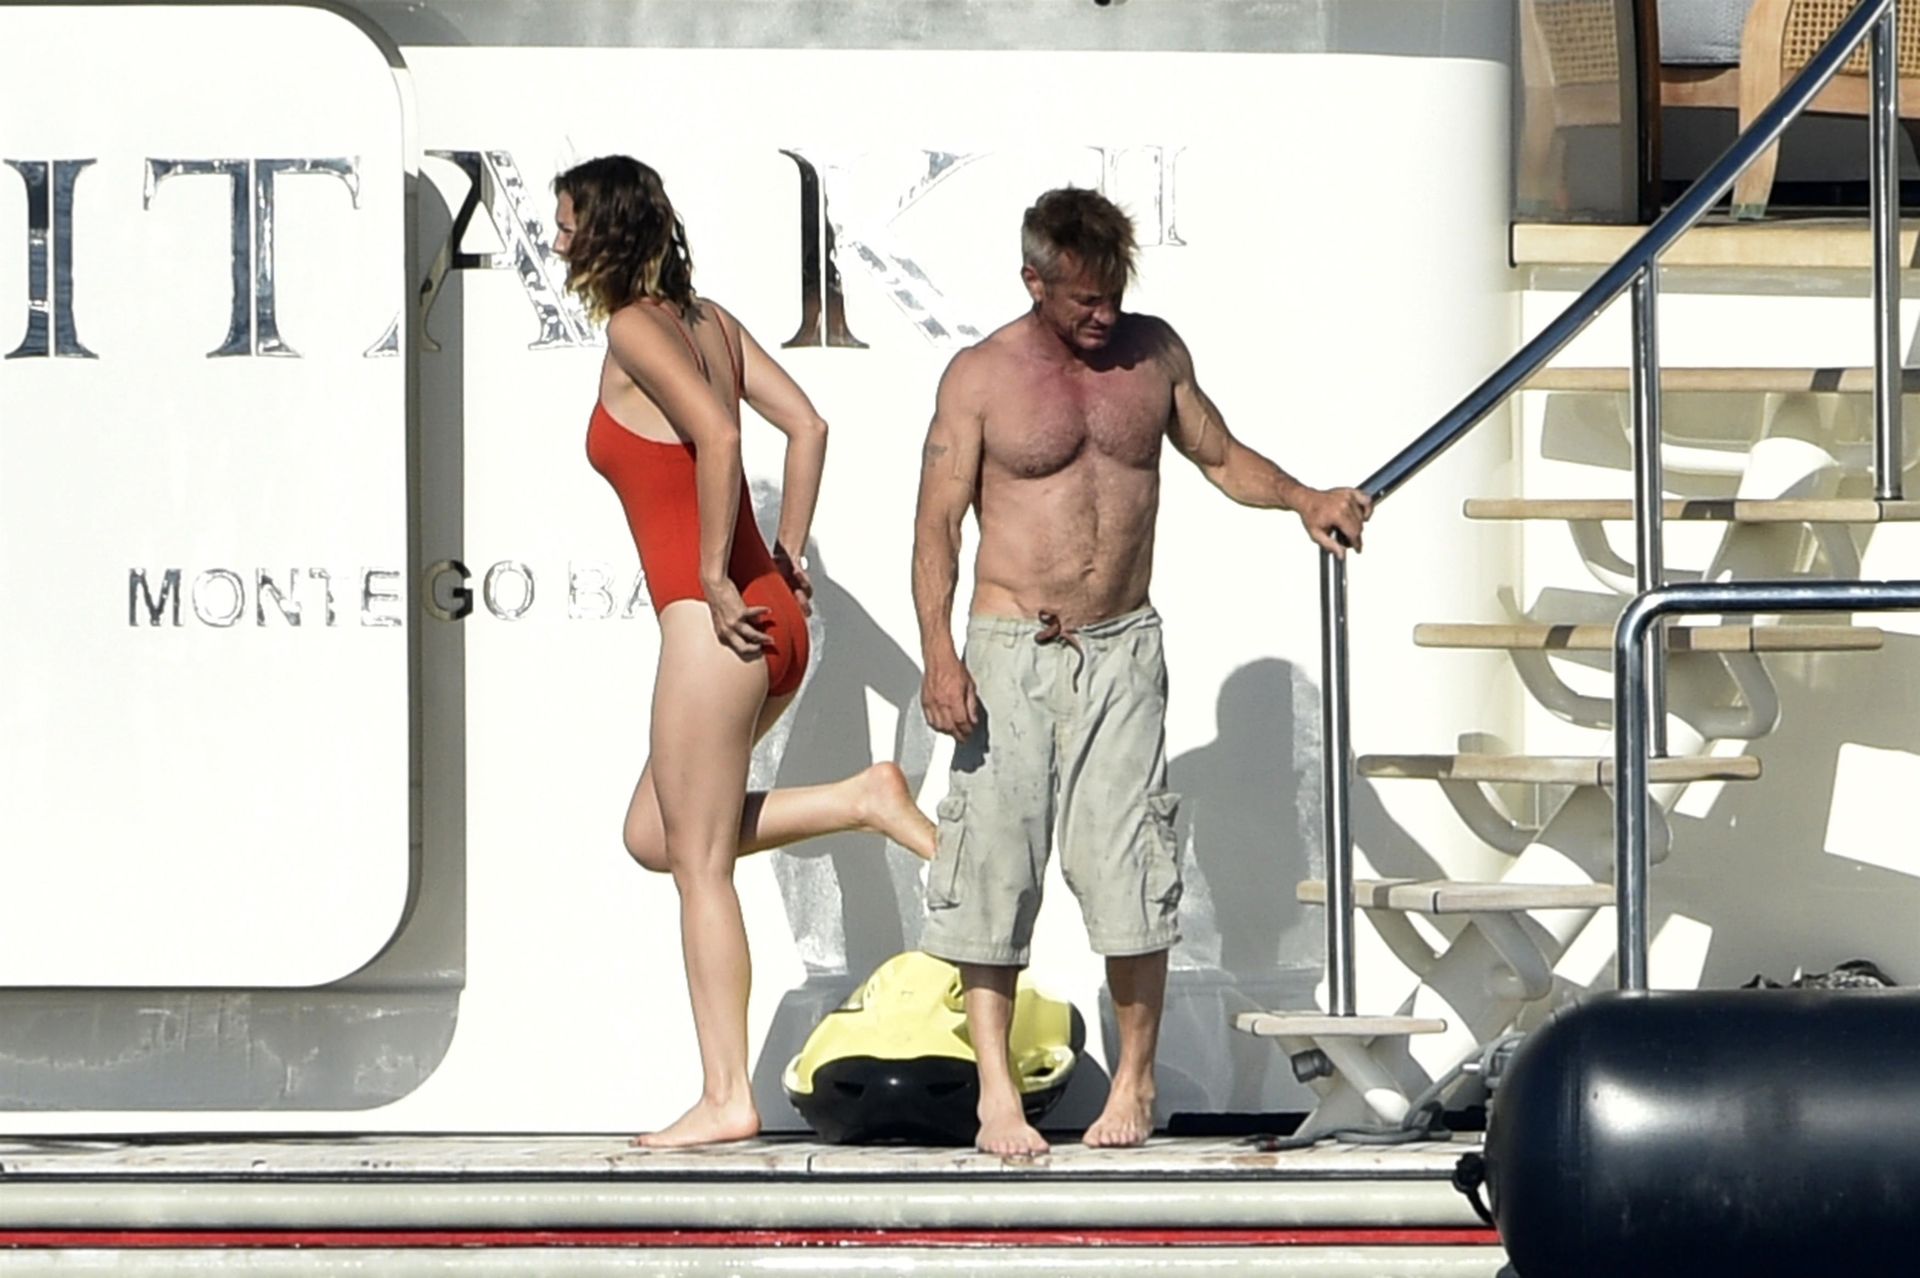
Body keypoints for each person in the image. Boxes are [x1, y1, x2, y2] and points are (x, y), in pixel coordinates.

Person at [911, 187, 1372, 1156]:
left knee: (1130, 866)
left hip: (1121, 648)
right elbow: (937, 525)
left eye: (1114, 293)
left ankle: (1135, 1080)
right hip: (1009, 647)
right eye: (1084, 298)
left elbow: (1219, 454)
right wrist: (940, 656)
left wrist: (1304, 498)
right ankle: (997, 1095)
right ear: (1034, 281)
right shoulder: (981, 376)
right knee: (993, 869)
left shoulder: (1152, 355)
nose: (1104, 314)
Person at [555, 155, 936, 1148]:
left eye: (566, 224)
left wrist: (717, 578)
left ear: (604, 230)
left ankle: (727, 1095)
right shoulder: (712, 322)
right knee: (658, 835)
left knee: (699, 868)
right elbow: (807, 424)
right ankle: (862, 798)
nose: (555, 242)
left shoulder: (635, 328)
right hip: (773, 618)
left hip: (715, 621)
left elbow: (721, 441)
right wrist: (786, 555)